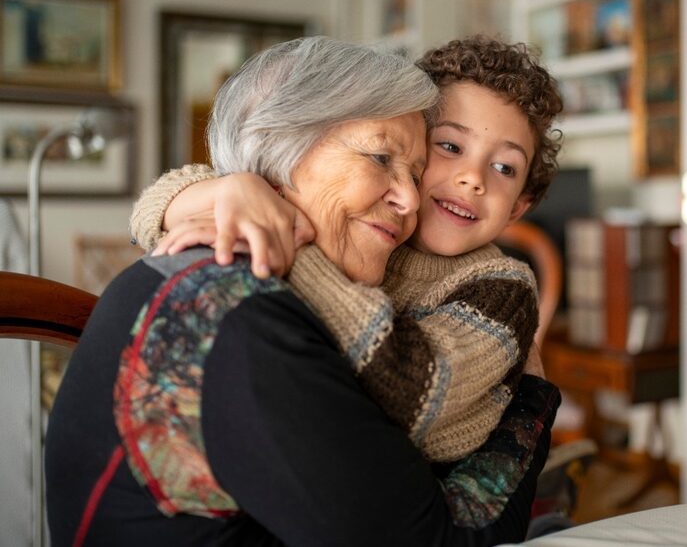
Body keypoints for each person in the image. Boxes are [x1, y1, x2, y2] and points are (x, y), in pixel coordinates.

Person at [45, 37, 560, 546]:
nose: (409, 197)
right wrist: (227, 195)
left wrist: (265, 222)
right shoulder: (245, 314)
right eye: (382, 157)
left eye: (415, 170)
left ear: (520, 205)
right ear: (282, 150)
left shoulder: (490, 284)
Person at [130, 36, 564, 462]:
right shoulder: (370, 233)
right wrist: (230, 192)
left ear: (518, 208)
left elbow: (414, 391)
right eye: (449, 147)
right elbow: (150, 209)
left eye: (505, 167)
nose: (473, 178)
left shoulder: (503, 287)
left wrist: (289, 239)